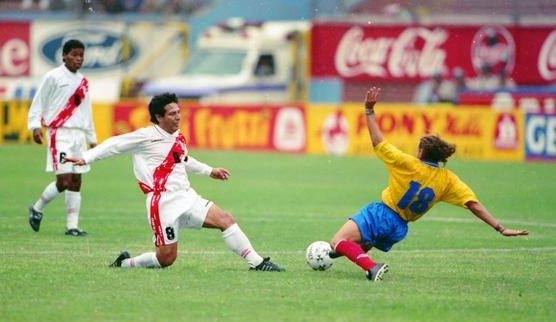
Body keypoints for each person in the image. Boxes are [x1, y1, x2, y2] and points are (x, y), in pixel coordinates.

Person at [64, 92, 285, 271]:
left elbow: (183, 159)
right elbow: (113, 144)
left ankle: (257, 262)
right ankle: (126, 263)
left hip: (187, 196)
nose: (178, 117)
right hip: (162, 203)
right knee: (166, 259)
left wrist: (210, 171)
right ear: (159, 117)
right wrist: (86, 157)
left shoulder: (178, 136)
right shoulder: (146, 136)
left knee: (226, 219)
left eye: (179, 112)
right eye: (172, 114)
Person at [328, 87, 529, 282]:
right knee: (353, 245)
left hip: (383, 214)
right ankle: (349, 252)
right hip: (399, 229)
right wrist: (500, 228)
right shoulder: (447, 180)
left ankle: (372, 268)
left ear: (421, 153)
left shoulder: (408, 164)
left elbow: (378, 142)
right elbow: (473, 204)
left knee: (337, 242)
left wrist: (369, 110)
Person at [27, 39, 97, 237]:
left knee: (76, 180)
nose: (78, 59)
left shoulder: (83, 81)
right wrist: (34, 126)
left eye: (81, 55)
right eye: (74, 54)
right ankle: (37, 208)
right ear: (64, 56)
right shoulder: (53, 77)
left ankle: (72, 227)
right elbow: (38, 101)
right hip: (60, 133)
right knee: (64, 180)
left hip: (79, 136)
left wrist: (92, 138)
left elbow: (87, 111)